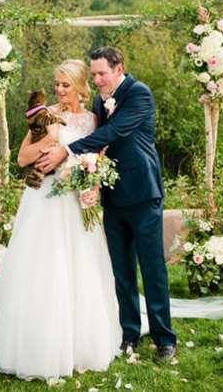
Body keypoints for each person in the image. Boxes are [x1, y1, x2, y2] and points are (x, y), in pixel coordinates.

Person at [0, 59, 123, 379]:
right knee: (41, 268)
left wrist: (91, 183)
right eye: (56, 84)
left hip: (74, 203)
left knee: (79, 269)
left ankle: (79, 343)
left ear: (81, 87)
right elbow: (22, 158)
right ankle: (34, 342)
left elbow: (97, 159)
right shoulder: (45, 116)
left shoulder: (93, 119)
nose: (59, 90)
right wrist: (51, 137)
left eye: (65, 85)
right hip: (43, 200)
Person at [37, 47, 177, 360]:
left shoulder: (139, 93)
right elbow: (101, 145)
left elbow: (113, 131)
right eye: (94, 74)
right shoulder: (101, 100)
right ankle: (129, 333)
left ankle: (164, 339)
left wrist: (66, 151)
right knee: (122, 271)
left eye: (102, 73)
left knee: (152, 269)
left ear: (118, 69)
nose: (97, 80)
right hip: (112, 197)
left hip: (143, 194)